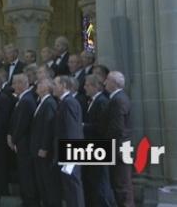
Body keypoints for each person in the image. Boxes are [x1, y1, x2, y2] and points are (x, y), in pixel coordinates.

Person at [83, 75, 116, 207]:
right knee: (93, 181)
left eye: (87, 85)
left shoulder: (101, 101)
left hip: (100, 146)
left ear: (95, 86)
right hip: (92, 146)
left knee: (100, 183)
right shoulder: (93, 100)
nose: (84, 87)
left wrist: (84, 126)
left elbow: (102, 126)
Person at [104, 71, 135, 207]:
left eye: (107, 80)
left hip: (119, 148)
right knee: (119, 184)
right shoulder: (117, 98)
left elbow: (117, 128)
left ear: (114, 83)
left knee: (122, 185)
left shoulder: (118, 99)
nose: (105, 83)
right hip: (119, 146)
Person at [53, 76, 85, 207]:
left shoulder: (69, 102)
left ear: (64, 85)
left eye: (55, 84)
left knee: (73, 184)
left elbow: (72, 129)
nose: (53, 87)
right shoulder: (64, 102)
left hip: (71, 150)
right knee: (68, 185)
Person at [7, 74, 38, 207]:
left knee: (26, 174)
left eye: (15, 83)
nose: (13, 86)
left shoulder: (26, 100)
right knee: (23, 173)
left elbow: (22, 123)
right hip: (22, 142)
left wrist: (13, 139)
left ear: (21, 84)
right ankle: (27, 199)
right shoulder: (23, 99)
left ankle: (30, 201)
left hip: (24, 143)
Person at [30, 78, 60, 207]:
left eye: (40, 83)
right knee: (41, 181)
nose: (37, 85)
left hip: (44, 150)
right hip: (37, 148)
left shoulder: (49, 103)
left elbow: (48, 127)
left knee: (48, 182)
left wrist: (44, 147)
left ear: (47, 87)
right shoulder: (42, 102)